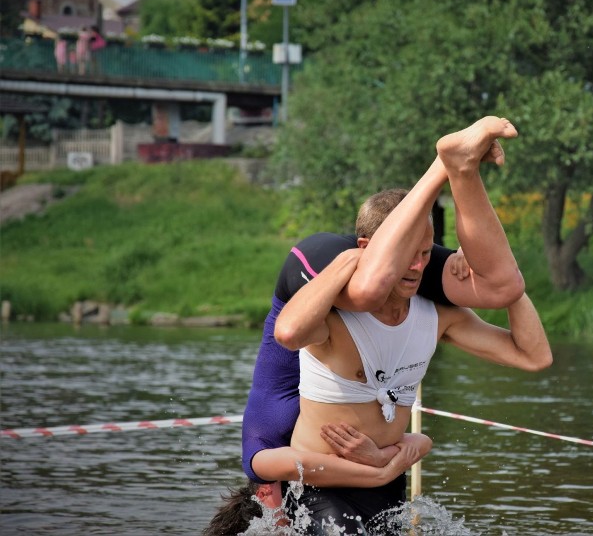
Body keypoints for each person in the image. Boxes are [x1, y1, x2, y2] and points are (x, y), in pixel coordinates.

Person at [207, 117, 531, 534]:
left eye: (271, 505)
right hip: (379, 256)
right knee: (502, 286)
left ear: (263, 492)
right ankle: (459, 168)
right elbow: (413, 444)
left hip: (326, 260)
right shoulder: (304, 431)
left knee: (373, 294)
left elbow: (290, 335)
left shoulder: (266, 435)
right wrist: (383, 464)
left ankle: (445, 165)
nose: (279, 517)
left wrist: (347, 260)